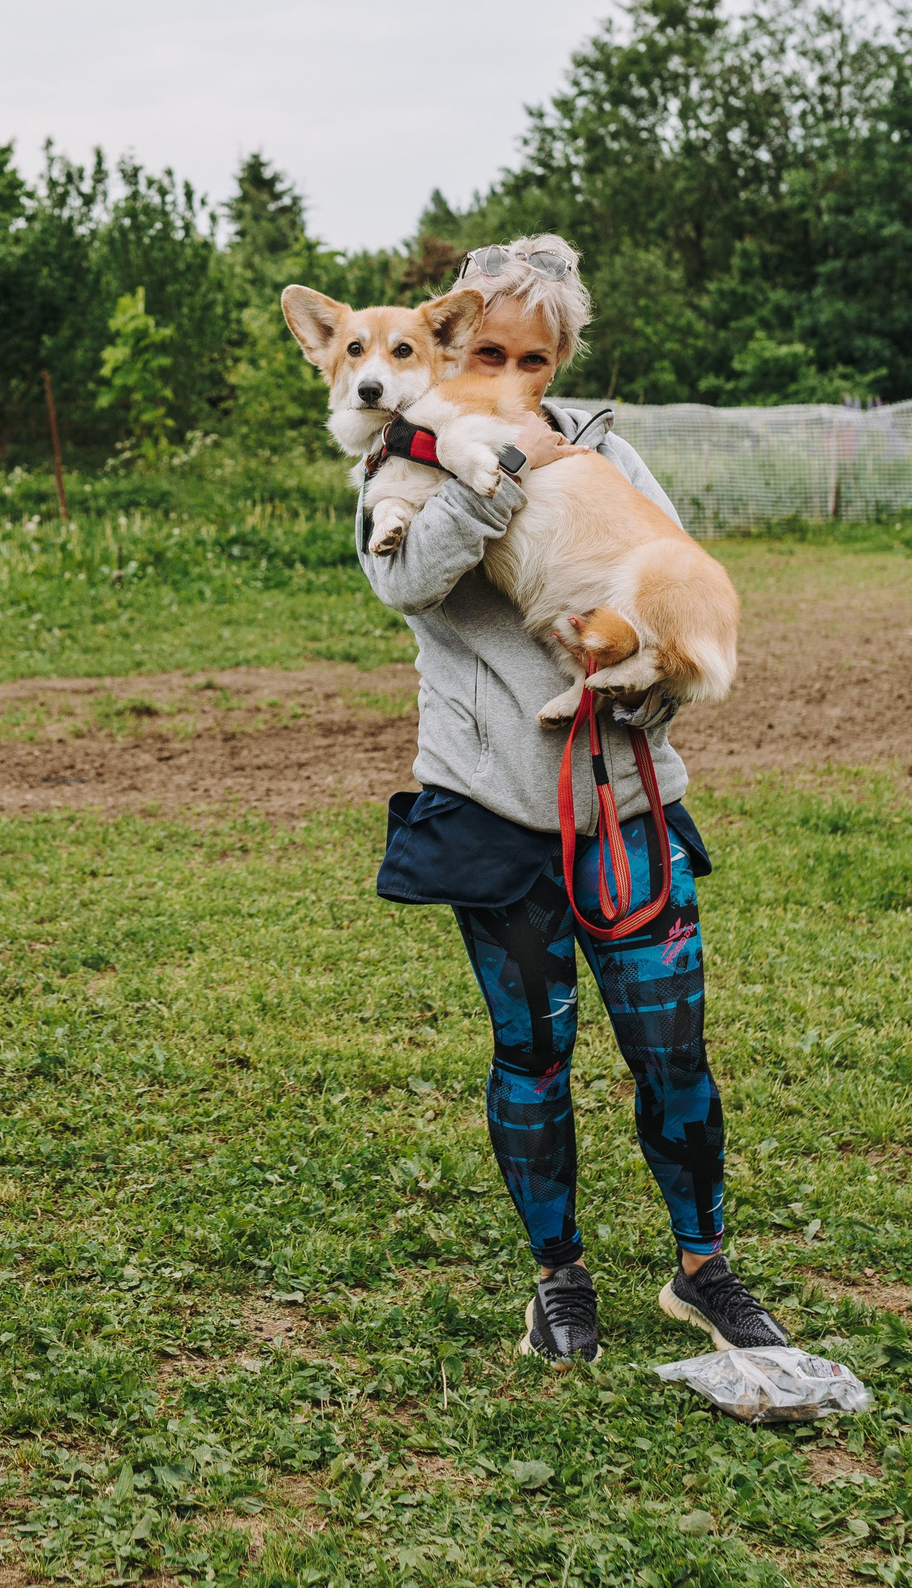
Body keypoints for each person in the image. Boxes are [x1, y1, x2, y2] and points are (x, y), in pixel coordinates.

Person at [363, 234, 789, 1365]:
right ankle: (559, 1281)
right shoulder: (400, 457)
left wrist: (651, 702)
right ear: (447, 341)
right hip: (492, 808)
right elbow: (401, 579)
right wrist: (492, 469)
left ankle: (703, 1269)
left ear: (562, 361)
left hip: (625, 804)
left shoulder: (607, 452)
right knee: (532, 1055)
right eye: (486, 348)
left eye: (535, 358)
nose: (508, 375)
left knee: (671, 1049)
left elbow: (673, 591)